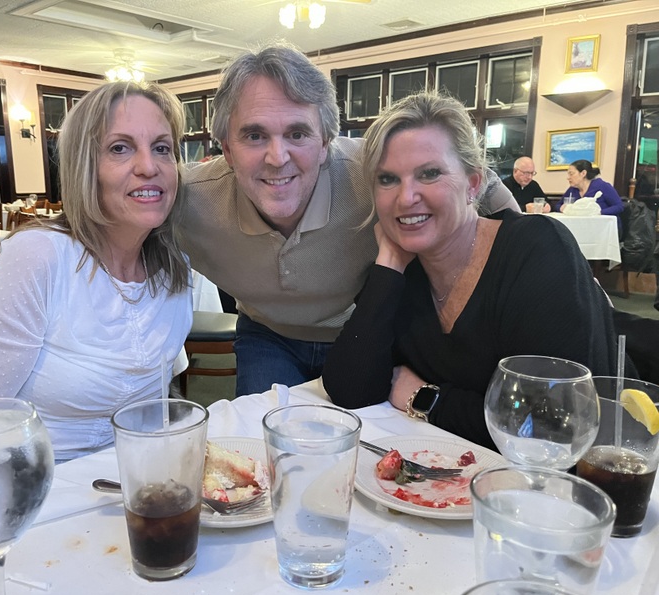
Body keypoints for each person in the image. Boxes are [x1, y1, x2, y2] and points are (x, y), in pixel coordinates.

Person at [179, 42, 520, 396]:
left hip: (363, 327)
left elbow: (478, 181)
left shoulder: (374, 170)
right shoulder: (190, 198)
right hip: (268, 335)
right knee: (266, 426)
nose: (277, 158)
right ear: (227, 149)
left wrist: (525, 254)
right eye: (254, 135)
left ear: (325, 142)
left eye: (297, 134)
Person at [322, 91, 620, 450]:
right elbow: (350, 389)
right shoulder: (401, 274)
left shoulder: (537, 248)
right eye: (387, 179)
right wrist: (389, 262)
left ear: (473, 183)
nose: (405, 198)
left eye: (429, 173)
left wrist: (425, 397)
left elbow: (551, 428)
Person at [0, 81, 192, 461]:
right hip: (37, 481)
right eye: (119, 148)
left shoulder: (173, 267)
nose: (149, 166)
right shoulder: (39, 256)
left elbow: (159, 406)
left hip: (138, 479)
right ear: (85, 167)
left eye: (162, 148)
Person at [559, 159, 624, 226]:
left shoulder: (603, 186)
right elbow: (558, 205)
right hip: (581, 225)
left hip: (604, 226)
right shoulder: (572, 189)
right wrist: (563, 208)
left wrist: (599, 212)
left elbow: (619, 206)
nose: (568, 178)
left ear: (583, 173)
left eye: (571, 174)